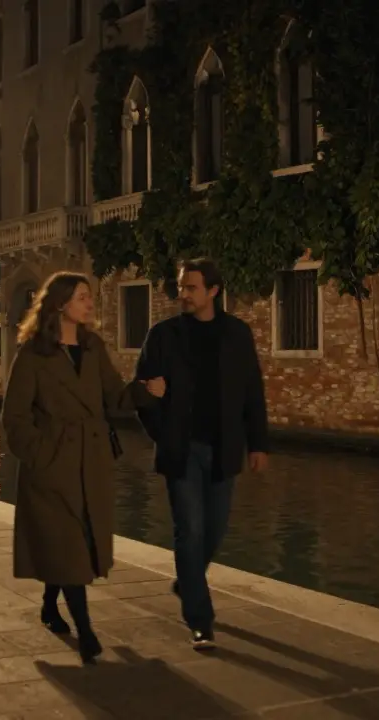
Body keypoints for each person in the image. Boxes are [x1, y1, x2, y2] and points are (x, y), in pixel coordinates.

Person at [1, 271, 164, 663]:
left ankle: (49, 604)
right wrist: (42, 454)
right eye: (82, 297)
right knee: (69, 545)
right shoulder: (33, 354)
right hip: (52, 468)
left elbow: (115, 398)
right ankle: (86, 631)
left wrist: (146, 392)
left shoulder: (93, 347)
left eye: (89, 297)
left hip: (91, 464)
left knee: (72, 547)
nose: (90, 304)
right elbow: (15, 417)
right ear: (60, 304)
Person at [135, 258, 269, 650]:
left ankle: (188, 581)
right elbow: (142, 391)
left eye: (191, 287)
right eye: (181, 286)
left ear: (213, 291)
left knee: (215, 530)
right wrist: (163, 435)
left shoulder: (237, 334)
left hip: (224, 448)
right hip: (182, 451)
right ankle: (200, 620)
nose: (183, 294)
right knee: (190, 530)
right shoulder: (163, 335)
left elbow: (252, 391)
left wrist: (258, 444)